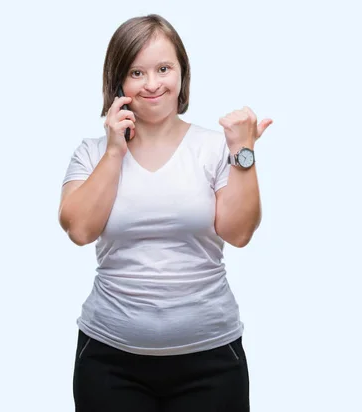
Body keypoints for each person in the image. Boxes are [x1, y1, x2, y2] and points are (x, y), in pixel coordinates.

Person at [58, 13, 272, 412]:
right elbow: (80, 229)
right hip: (109, 361)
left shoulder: (214, 148)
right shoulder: (91, 152)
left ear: (181, 73)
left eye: (163, 68)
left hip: (211, 360)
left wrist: (244, 152)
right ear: (118, 81)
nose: (152, 84)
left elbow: (239, 232)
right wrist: (114, 151)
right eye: (137, 72)